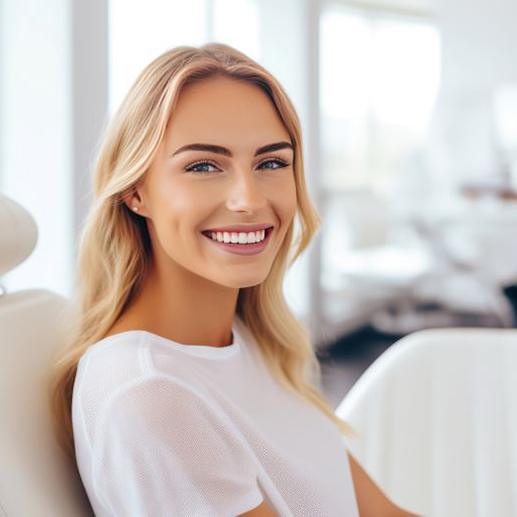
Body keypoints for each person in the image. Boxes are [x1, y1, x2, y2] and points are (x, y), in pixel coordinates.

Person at [49, 43, 419, 516]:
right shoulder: (151, 393)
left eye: (271, 163)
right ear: (135, 191)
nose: (248, 198)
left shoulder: (247, 341)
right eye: (203, 166)